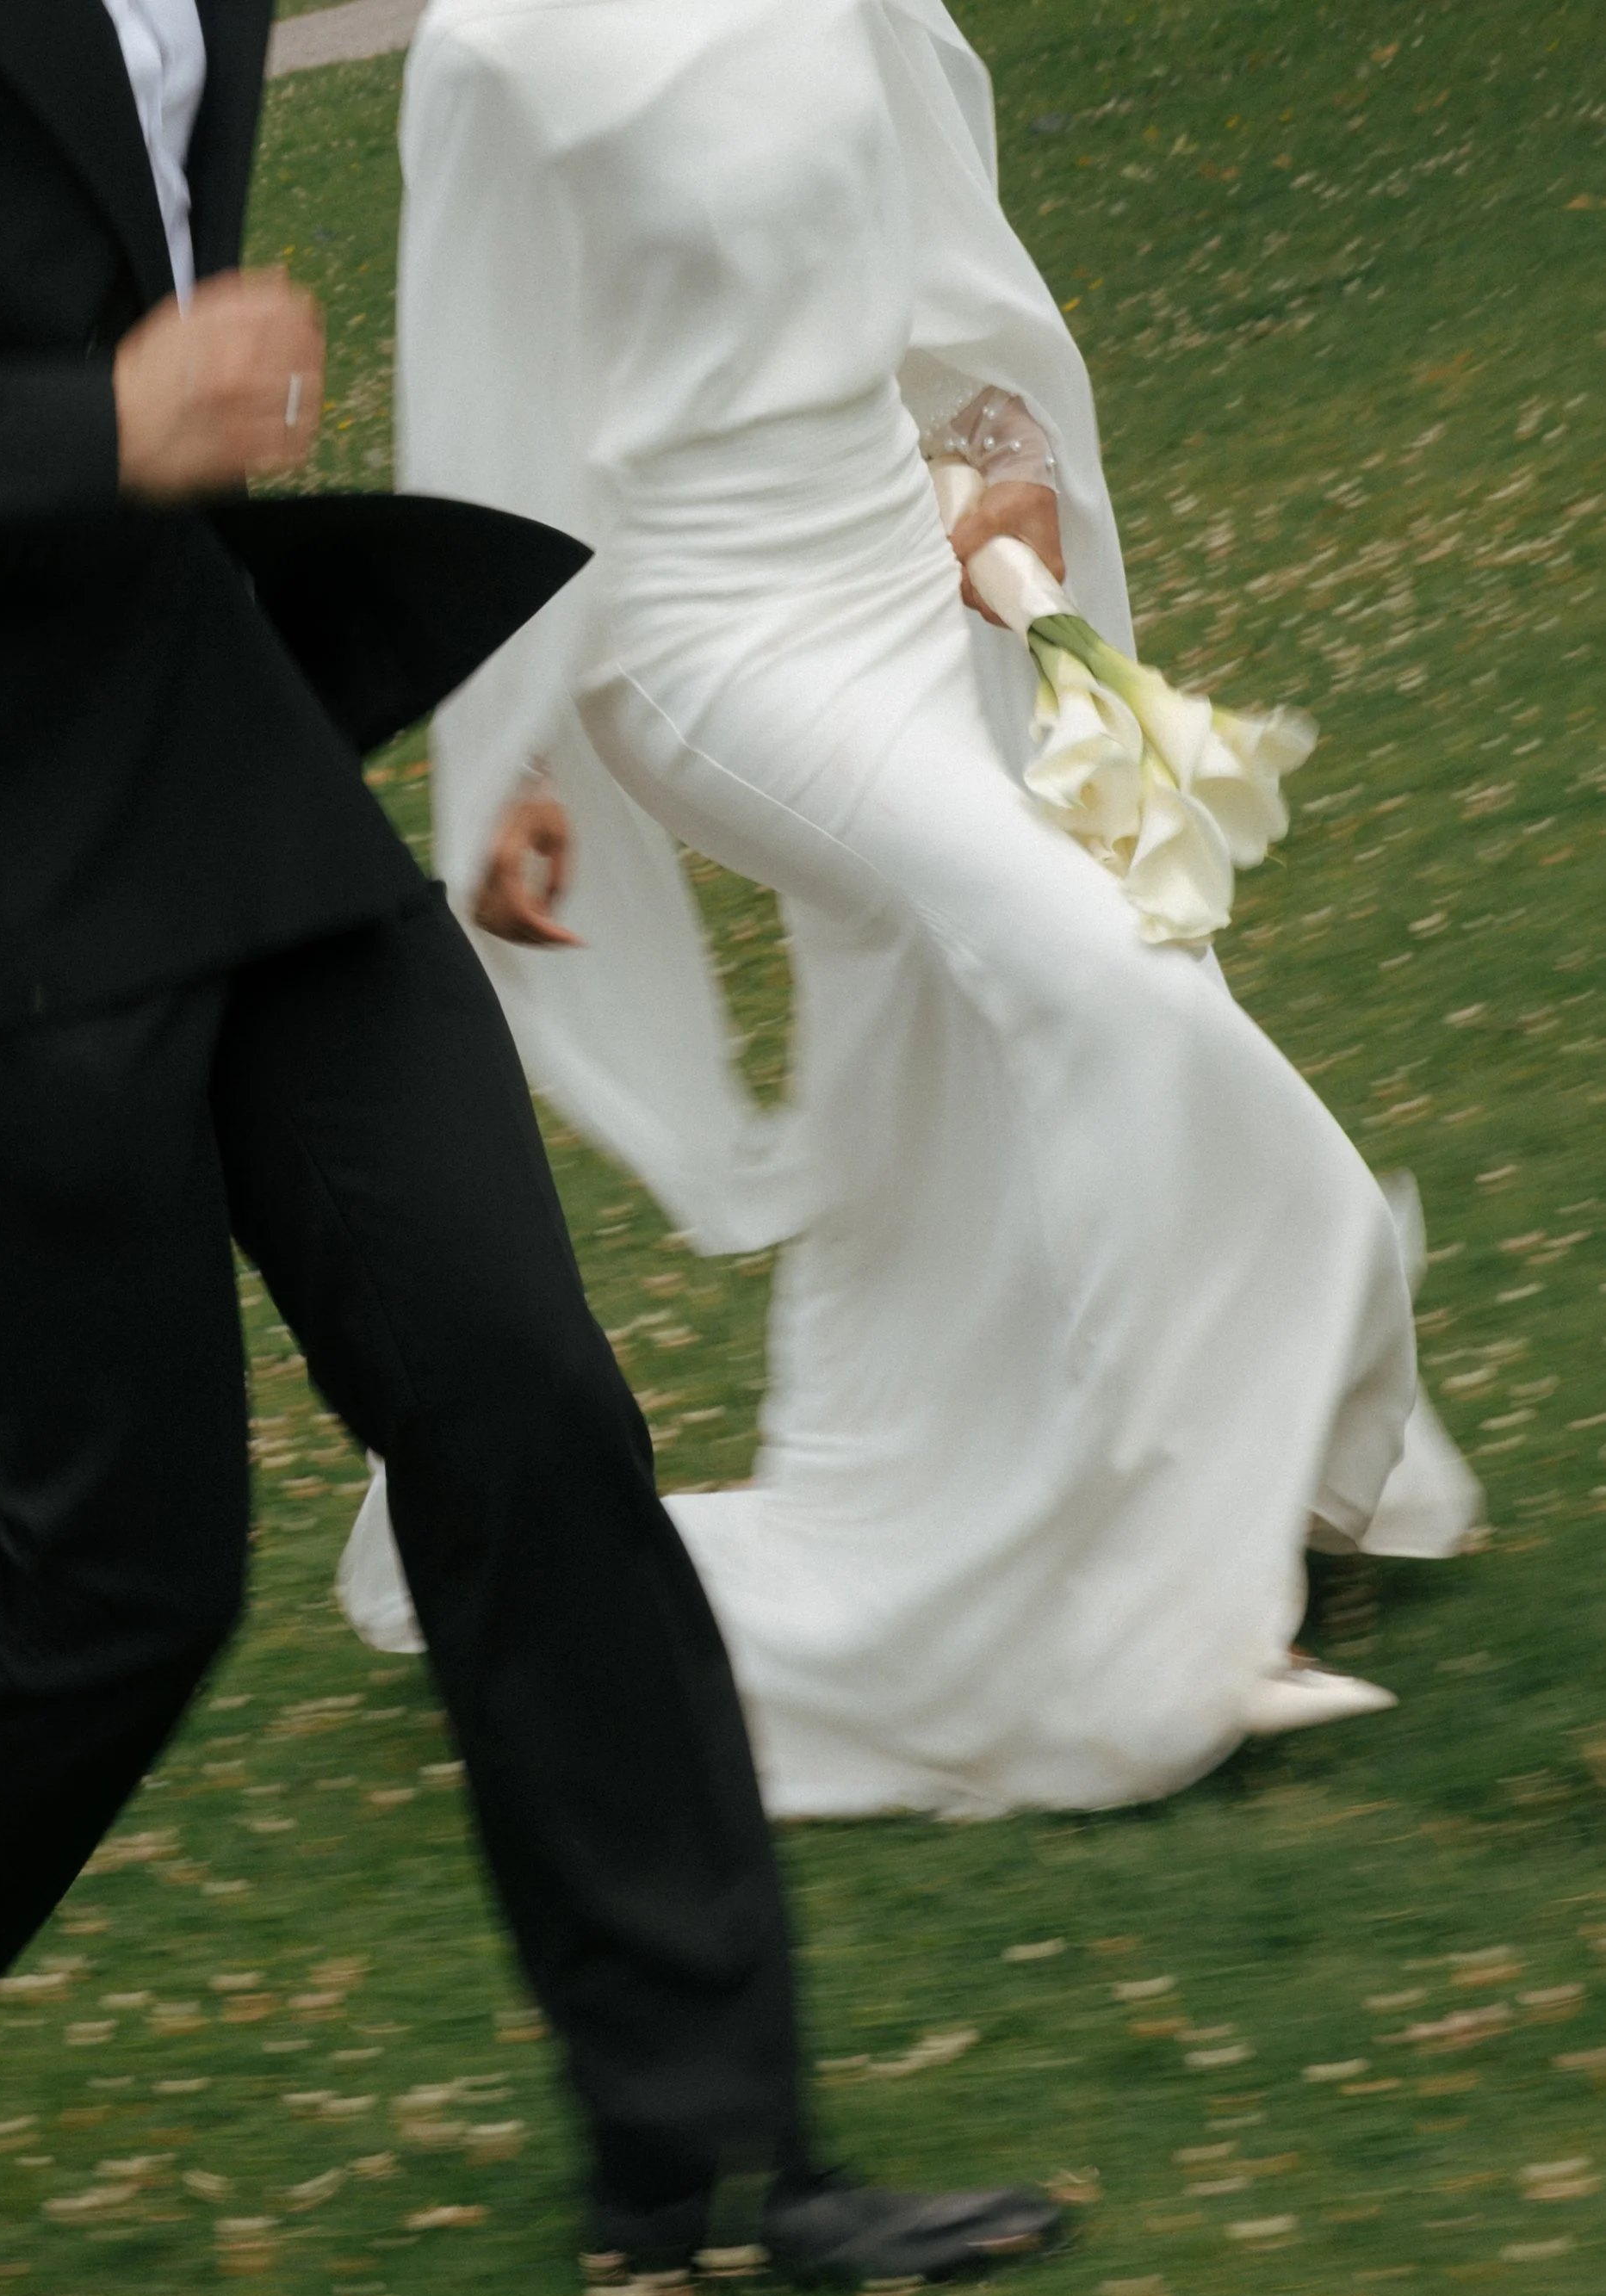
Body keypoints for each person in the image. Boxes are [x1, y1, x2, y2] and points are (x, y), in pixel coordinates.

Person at [0, 0, 1062, 2296]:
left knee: (526, 1400)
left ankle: (706, 2155)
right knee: (129, 1561)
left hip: (211, 743)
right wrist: (94, 422)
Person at [338, 0, 1484, 1819]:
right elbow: (481, 418)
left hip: (878, 556)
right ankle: (1140, 1590)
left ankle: (938, 1489)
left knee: (934, 1033)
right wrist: (515, 759)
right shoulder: (490, 51)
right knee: (1099, 977)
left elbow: (944, 273)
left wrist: (998, 457)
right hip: (695, 636)